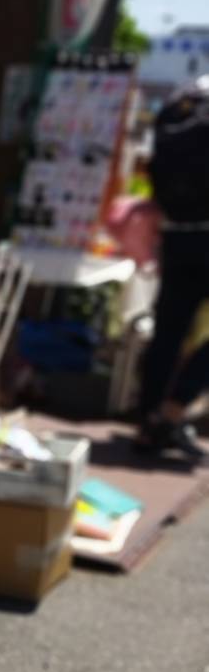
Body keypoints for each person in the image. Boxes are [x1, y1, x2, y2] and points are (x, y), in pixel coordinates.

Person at [136, 76, 209, 461]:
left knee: (168, 331)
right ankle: (174, 408)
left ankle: (149, 422)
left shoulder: (186, 96)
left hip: (177, 233)